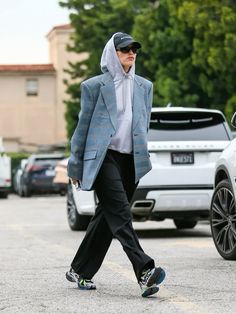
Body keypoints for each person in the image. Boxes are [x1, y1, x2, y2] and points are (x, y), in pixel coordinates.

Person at [66, 32, 166, 297]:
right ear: (113, 52)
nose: (131, 53)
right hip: (104, 158)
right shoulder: (94, 86)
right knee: (121, 214)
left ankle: (79, 270)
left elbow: (142, 124)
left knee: (106, 218)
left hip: (131, 160)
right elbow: (82, 128)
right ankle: (144, 271)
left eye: (134, 49)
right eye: (124, 49)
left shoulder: (144, 86)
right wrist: (75, 167)